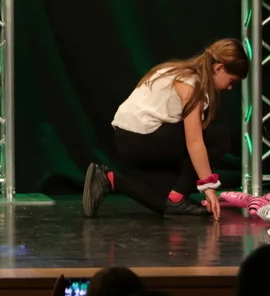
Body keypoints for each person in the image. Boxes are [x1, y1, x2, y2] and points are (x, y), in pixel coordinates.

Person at [82, 38, 248, 219]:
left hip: (128, 140)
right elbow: (194, 142)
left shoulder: (178, 70)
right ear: (219, 68)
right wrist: (209, 188)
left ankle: (108, 179)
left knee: (165, 201)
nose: (230, 87)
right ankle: (177, 199)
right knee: (218, 137)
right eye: (231, 80)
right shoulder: (192, 85)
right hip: (141, 139)